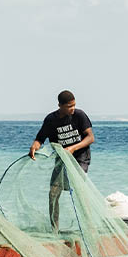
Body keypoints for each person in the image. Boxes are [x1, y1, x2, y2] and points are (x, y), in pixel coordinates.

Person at [28, 90, 95, 228]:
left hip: (80, 158)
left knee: (79, 190)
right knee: (53, 193)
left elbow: (90, 138)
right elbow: (40, 139)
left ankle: (88, 226)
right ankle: (55, 228)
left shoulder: (79, 115)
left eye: (74, 105)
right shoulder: (51, 120)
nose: (73, 108)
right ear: (60, 105)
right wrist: (34, 147)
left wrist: (73, 148)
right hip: (61, 160)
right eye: (69, 106)